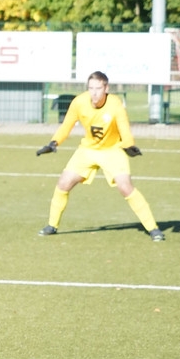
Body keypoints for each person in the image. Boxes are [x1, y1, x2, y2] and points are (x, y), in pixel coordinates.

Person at [36, 70, 165, 241]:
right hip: (87, 150)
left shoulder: (115, 104)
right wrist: (53, 143)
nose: (94, 93)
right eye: (91, 88)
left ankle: (153, 229)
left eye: (98, 88)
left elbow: (124, 128)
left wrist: (129, 145)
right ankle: (52, 225)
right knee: (63, 183)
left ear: (106, 88)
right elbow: (66, 125)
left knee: (125, 187)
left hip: (112, 150)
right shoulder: (79, 102)